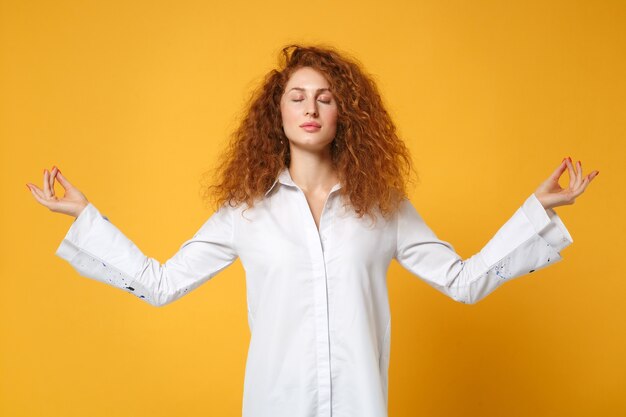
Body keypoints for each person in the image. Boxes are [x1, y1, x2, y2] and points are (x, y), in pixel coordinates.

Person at [26, 44, 598, 417]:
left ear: (344, 114)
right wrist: (84, 218)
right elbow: (159, 282)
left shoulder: (385, 209)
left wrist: (538, 211)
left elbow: (464, 280)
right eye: (297, 97)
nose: (311, 108)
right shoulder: (245, 212)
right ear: (275, 114)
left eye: (325, 98)